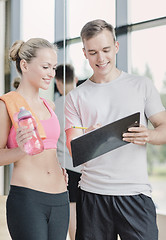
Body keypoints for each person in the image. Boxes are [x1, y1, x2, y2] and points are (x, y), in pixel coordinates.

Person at [65, 19, 166, 240]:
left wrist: (149, 135)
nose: (100, 58)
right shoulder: (75, 97)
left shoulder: (142, 85)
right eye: (92, 52)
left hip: (135, 194)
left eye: (106, 50)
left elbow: (164, 127)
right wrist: (89, 138)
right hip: (93, 196)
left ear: (116, 47)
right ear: (84, 53)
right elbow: (74, 150)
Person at [0, 38, 69, 240]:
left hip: (60, 198)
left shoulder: (50, 106)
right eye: (46, 66)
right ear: (25, 65)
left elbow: (51, 150)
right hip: (28, 198)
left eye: (54, 68)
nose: (51, 73)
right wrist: (21, 149)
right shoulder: (6, 105)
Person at [55, 64, 82, 240]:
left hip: (66, 165)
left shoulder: (56, 104)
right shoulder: (84, 100)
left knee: (72, 209)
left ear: (57, 82)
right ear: (76, 80)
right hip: (86, 165)